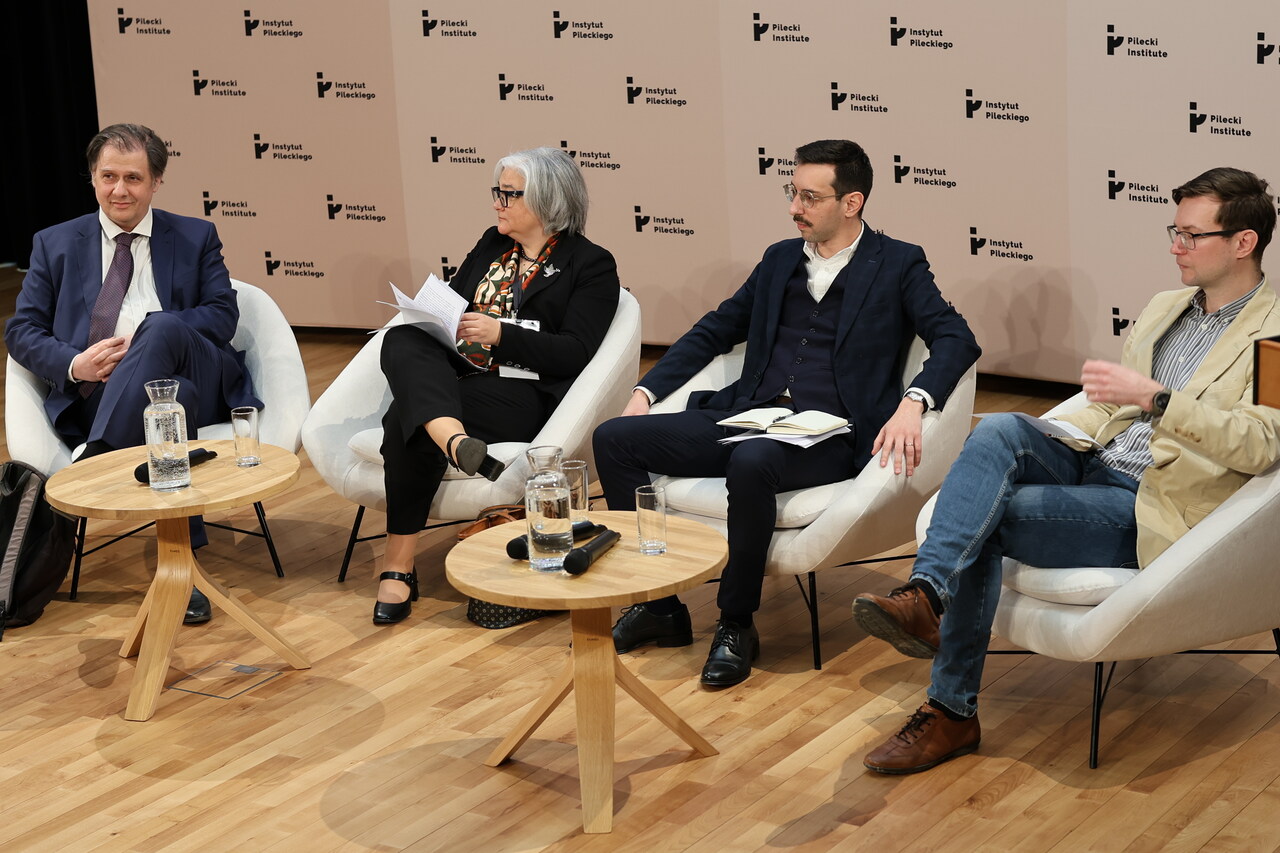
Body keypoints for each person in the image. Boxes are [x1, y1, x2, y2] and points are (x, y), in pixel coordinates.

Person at [854, 166, 1280, 775]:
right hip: (1095, 462)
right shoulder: (1166, 308)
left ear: (1243, 242)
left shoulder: (1275, 334)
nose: (1175, 246)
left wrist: (1159, 399)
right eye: (1175, 231)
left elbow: (1262, 444)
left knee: (995, 515)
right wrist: (1067, 427)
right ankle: (925, 594)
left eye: (1192, 235)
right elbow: (1112, 410)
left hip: (1151, 502)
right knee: (999, 428)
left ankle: (950, 710)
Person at [592, 139, 981, 686]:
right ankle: (659, 606)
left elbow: (957, 339)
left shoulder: (897, 263)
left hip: (833, 434)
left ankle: (735, 623)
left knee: (752, 461)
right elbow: (715, 329)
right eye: (792, 193)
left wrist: (914, 402)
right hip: (751, 414)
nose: (795, 207)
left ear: (852, 203)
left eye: (810, 197)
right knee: (614, 439)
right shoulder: (779, 259)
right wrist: (646, 393)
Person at [5, 123, 260, 625]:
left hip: (195, 363)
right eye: (108, 177)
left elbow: (222, 315)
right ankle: (182, 569)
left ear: (156, 182)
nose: (119, 190)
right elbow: (22, 330)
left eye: (133, 178)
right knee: (172, 401)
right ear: (93, 178)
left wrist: (149, 340)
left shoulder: (194, 235)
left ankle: (94, 460)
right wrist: (75, 364)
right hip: (103, 390)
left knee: (160, 328)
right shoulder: (55, 243)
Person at [372, 147, 620, 624]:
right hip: (461, 374)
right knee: (402, 337)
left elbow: (575, 351)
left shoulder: (590, 264)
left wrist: (502, 334)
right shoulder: (492, 243)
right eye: (497, 192)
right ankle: (455, 440)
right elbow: (453, 307)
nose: (497, 204)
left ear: (547, 200)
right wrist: (436, 319)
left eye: (509, 195)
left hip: (524, 393)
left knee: (405, 417)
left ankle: (398, 567)